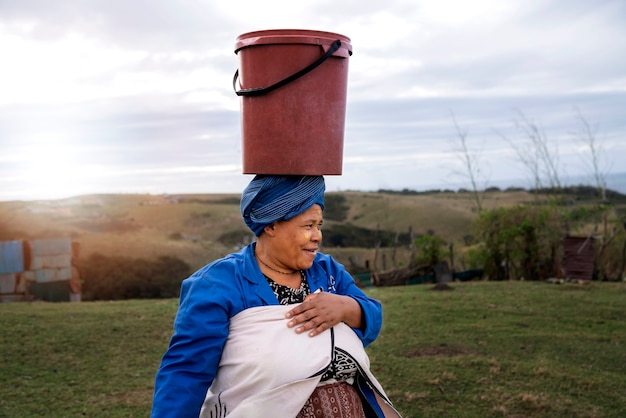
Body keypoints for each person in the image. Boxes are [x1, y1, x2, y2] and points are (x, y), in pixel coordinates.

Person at [152, 175, 400, 418]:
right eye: (308, 226)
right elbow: (187, 371)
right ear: (271, 225)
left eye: (319, 225)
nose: (317, 236)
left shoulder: (326, 271)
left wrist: (345, 308)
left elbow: (372, 316)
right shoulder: (218, 284)